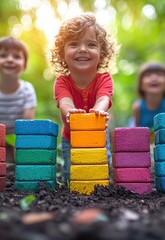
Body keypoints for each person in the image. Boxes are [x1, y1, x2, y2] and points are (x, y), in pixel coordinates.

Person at [50, 12, 117, 183]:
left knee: (100, 171)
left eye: (91, 44)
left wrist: (98, 111)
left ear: (101, 53)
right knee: (71, 175)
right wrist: (71, 113)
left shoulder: (104, 79)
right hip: (70, 137)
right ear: (62, 53)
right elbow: (65, 102)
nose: (82, 49)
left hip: (98, 136)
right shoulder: (62, 82)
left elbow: (104, 98)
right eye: (73, 44)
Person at [0, 36, 37, 163]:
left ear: (24, 65)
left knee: (21, 162)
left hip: (19, 139)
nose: (10, 60)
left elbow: (27, 127)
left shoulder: (27, 90)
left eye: (17, 57)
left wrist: (19, 148)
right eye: (3, 55)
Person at [131, 62, 165, 132]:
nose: (154, 78)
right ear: (141, 86)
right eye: (148, 75)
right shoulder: (137, 107)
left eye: (160, 75)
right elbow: (136, 131)